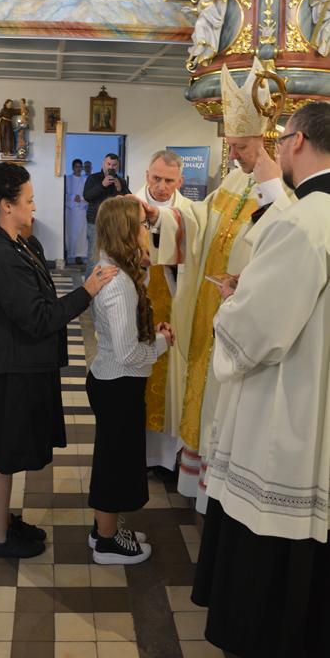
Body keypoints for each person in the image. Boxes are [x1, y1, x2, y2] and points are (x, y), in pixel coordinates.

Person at [192, 101, 330, 658]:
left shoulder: (304, 221)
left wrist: (232, 302)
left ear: (295, 141)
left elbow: (256, 333)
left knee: (268, 557)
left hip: (288, 408)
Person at [142, 57, 291, 513]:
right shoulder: (233, 179)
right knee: (201, 393)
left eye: (241, 147)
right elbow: (200, 219)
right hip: (207, 309)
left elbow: (283, 247)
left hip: (238, 314)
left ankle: (220, 490)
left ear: (264, 141)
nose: (234, 154)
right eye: (232, 146)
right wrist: (160, 216)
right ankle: (195, 478)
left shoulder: (283, 190)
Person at [0, 162, 117, 559]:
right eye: (28, 200)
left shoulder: (19, 243)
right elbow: (39, 318)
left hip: (14, 363)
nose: (34, 205)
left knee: (8, 451)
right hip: (2, 370)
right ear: (7, 205)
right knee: (2, 456)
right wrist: (88, 290)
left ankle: (5, 521)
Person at [86, 196, 175, 565]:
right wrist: (162, 342)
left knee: (113, 458)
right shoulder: (118, 283)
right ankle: (107, 542)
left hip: (113, 381)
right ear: (125, 230)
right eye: (142, 224)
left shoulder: (115, 269)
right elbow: (128, 354)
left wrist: (150, 334)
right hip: (118, 383)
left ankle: (103, 529)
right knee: (114, 464)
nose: (146, 230)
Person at [135, 150, 191, 473]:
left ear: (180, 181)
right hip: (138, 304)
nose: (161, 186)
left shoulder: (188, 213)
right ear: (146, 175)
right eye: (156, 178)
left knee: (171, 381)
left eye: (169, 180)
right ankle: (139, 455)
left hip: (174, 304)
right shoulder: (129, 207)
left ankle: (167, 459)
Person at [83, 153, 130, 278]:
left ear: (118, 166)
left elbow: (129, 200)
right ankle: (89, 289)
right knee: (93, 259)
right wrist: (102, 185)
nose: (111, 167)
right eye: (109, 164)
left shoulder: (121, 181)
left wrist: (121, 190)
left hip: (115, 225)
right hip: (95, 223)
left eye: (114, 165)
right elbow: (87, 196)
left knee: (114, 257)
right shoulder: (93, 178)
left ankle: (109, 286)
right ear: (103, 164)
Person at [65, 158, 87, 265]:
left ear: (82, 168)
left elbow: (88, 194)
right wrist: (73, 197)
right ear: (73, 168)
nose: (78, 169)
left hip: (81, 211)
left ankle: (79, 255)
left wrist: (81, 198)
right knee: (70, 233)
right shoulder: (67, 179)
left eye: (80, 167)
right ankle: (68, 253)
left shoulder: (85, 180)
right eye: (76, 167)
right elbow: (63, 194)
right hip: (70, 211)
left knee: (80, 234)